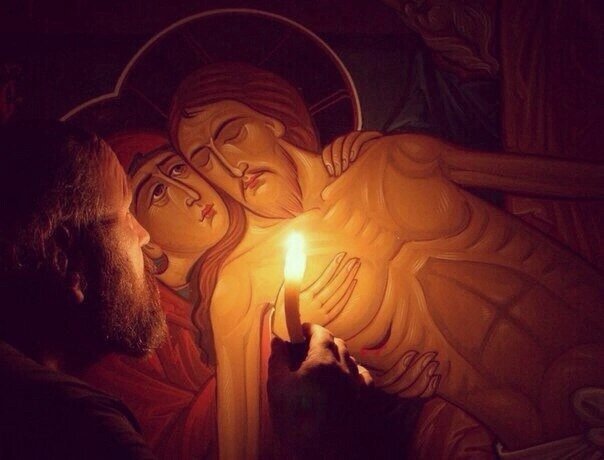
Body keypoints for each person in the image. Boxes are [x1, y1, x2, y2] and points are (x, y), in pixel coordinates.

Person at [169, 62, 604, 453]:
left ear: (272, 122)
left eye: (231, 134)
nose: (229, 163)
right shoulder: (244, 282)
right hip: (539, 432)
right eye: (204, 159)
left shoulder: (389, 159)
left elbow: (565, 178)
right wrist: (374, 392)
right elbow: (242, 447)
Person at [0, 120, 372, 459]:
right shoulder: (81, 432)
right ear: (66, 262)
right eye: (126, 214)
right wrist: (318, 440)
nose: (143, 236)